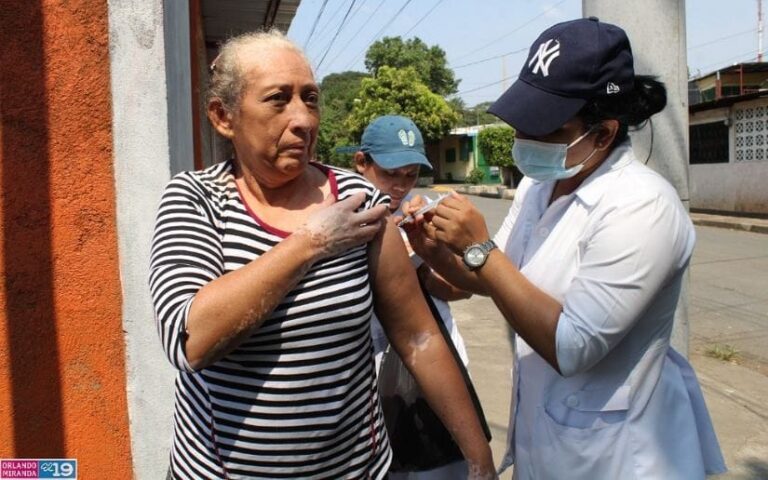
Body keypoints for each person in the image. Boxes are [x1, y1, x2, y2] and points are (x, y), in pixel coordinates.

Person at [148, 30, 495, 479]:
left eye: (310, 99)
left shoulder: (359, 201)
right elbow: (190, 342)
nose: (303, 119)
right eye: (278, 99)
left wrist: (478, 458)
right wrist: (311, 242)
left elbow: (418, 337)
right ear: (223, 116)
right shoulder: (196, 199)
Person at [402, 18, 726, 479]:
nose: (524, 141)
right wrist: (436, 252)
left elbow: (572, 346)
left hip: (618, 458)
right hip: (549, 441)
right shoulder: (539, 187)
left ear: (603, 133)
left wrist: (478, 247)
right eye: (523, 125)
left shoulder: (643, 205)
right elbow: (494, 280)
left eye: (546, 129)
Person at [353, 115, 472, 479]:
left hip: (435, 367)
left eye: (410, 174)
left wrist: (423, 265)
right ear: (361, 162)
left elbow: (462, 288)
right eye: (390, 173)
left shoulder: (425, 214)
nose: (400, 185)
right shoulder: (341, 221)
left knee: (439, 464)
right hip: (368, 376)